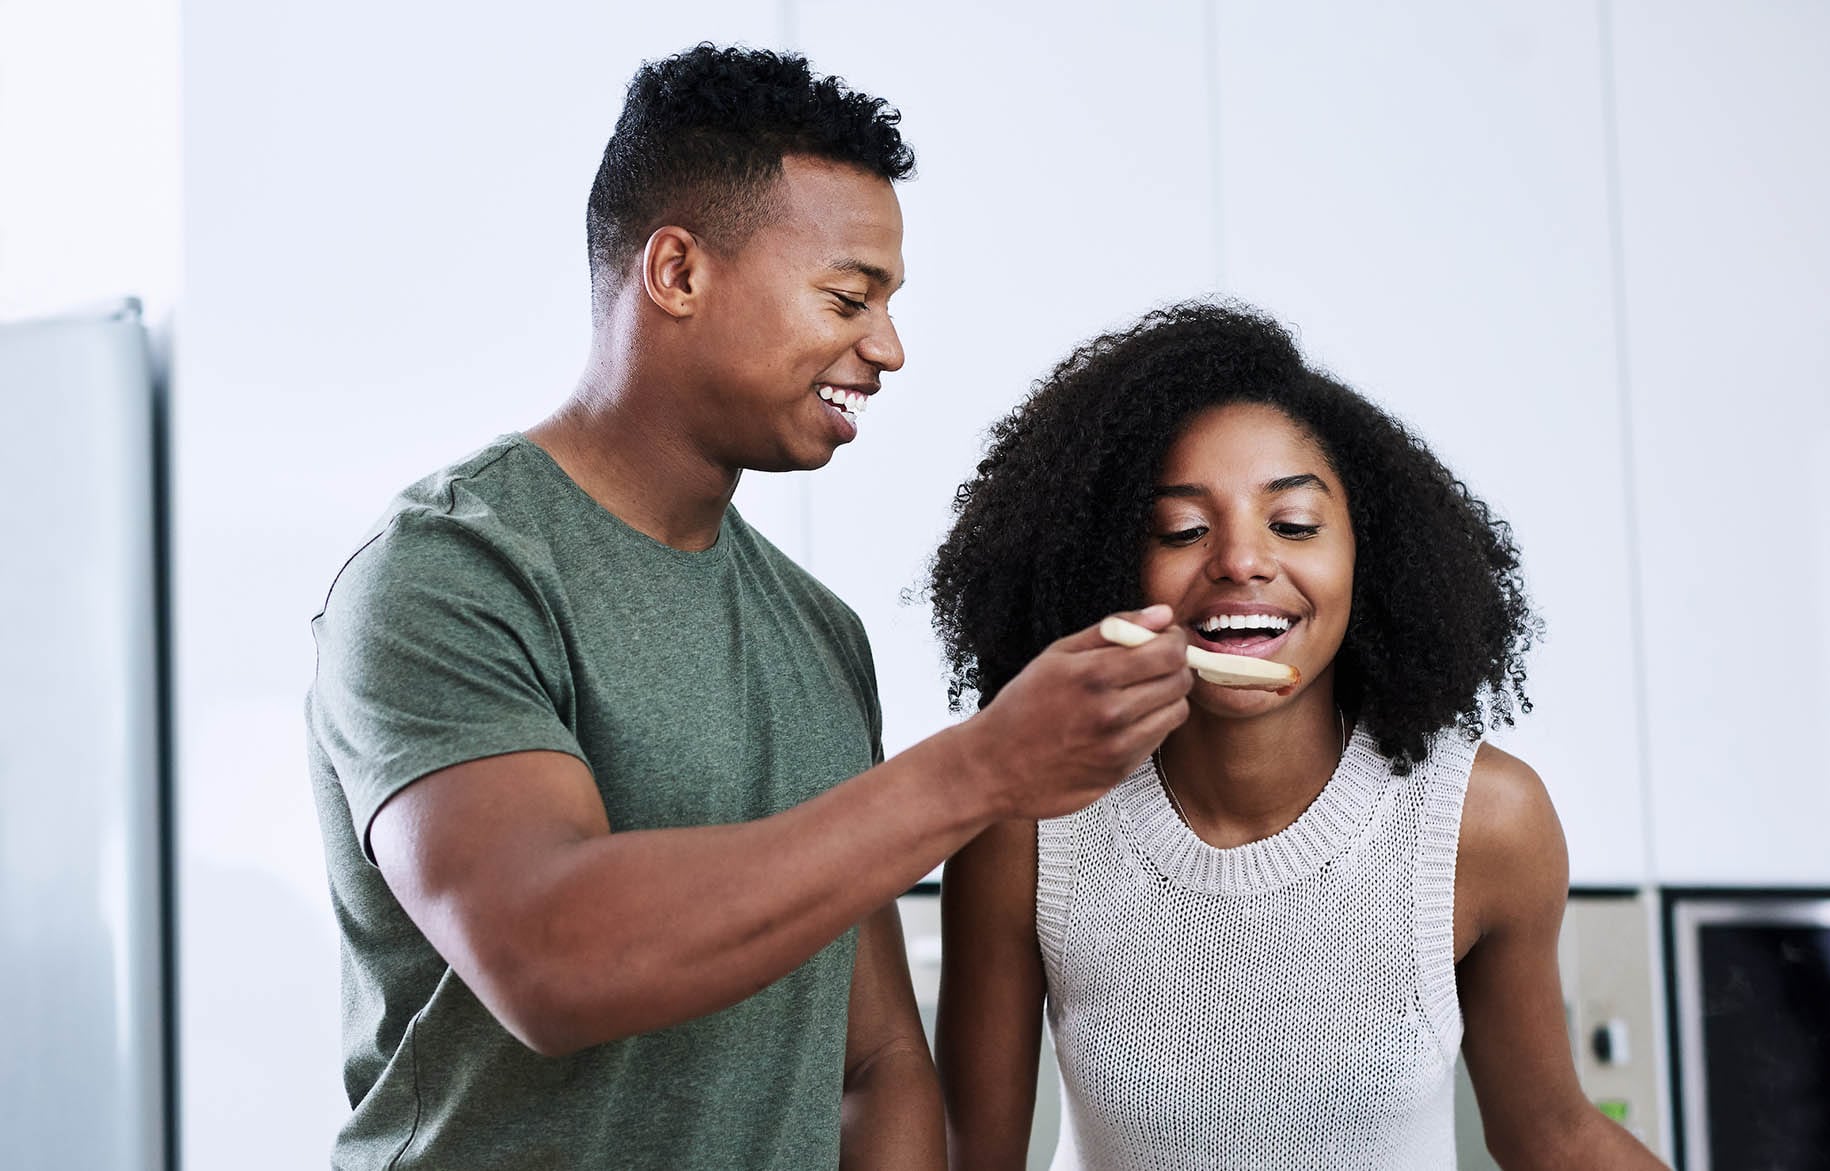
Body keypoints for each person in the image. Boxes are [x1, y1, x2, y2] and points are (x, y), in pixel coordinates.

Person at [305, 44, 1195, 1171]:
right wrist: (982, 767)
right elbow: (548, 960)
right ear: (676, 273)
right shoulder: (449, 573)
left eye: (888, 302)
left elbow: (870, 1065)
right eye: (845, 296)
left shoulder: (817, 632)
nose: (886, 347)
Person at [928, 302, 1669, 1169]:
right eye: (1182, 530)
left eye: (1293, 525)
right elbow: (965, 1153)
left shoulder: (1482, 821)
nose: (1242, 560)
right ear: (1105, 564)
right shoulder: (1028, 824)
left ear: (1370, 554)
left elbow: (1553, 1134)